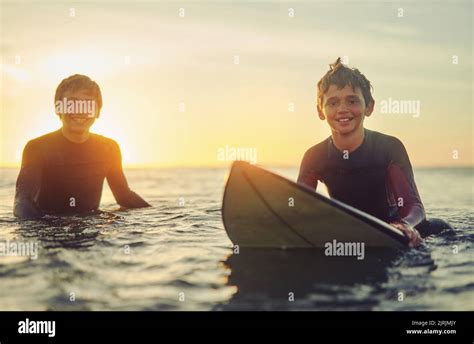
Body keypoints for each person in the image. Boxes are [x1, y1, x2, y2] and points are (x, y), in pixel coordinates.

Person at [298, 58, 451, 248]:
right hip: (349, 231)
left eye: (352, 100)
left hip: (391, 229)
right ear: (320, 111)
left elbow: (414, 206)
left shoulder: (388, 148)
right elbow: (299, 207)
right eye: (333, 103)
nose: (342, 109)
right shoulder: (314, 156)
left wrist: (404, 226)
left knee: (441, 228)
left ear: (369, 107)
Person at [14, 74, 150, 219]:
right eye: (72, 103)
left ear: (98, 111)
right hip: (50, 232)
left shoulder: (109, 148)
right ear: (58, 108)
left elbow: (124, 197)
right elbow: (22, 202)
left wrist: (158, 218)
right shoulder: (37, 148)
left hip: (92, 234)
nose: (80, 111)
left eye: (88, 104)